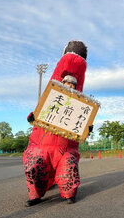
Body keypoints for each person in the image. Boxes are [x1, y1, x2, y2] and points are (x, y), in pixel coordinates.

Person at [23, 40, 90, 207]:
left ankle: (69, 193)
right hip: (43, 142)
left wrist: (87, 128)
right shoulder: (51, 98)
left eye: (72, 84)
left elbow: (82, 124)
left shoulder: (79, 104)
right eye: (66, 83)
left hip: (65, 145)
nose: (69, 86)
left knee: (67, 166)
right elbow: (38, 112)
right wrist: (32, 116)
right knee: (36, 163)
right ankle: (35, 194)